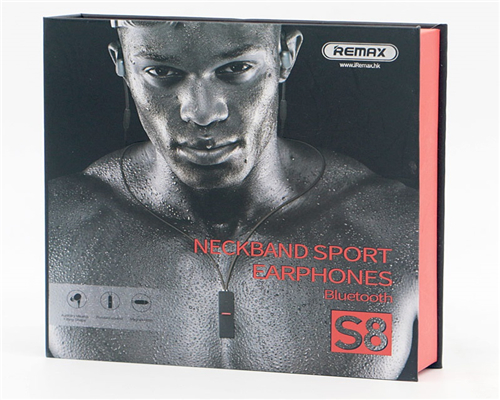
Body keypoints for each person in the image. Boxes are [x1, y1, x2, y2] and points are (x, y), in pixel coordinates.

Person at [48, 19, 418, 380]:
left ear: (285, 55)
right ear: (122, 65)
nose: (203, 113)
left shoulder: (399, 227)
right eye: (161, 72)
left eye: (236, 69)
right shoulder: (55, 225)